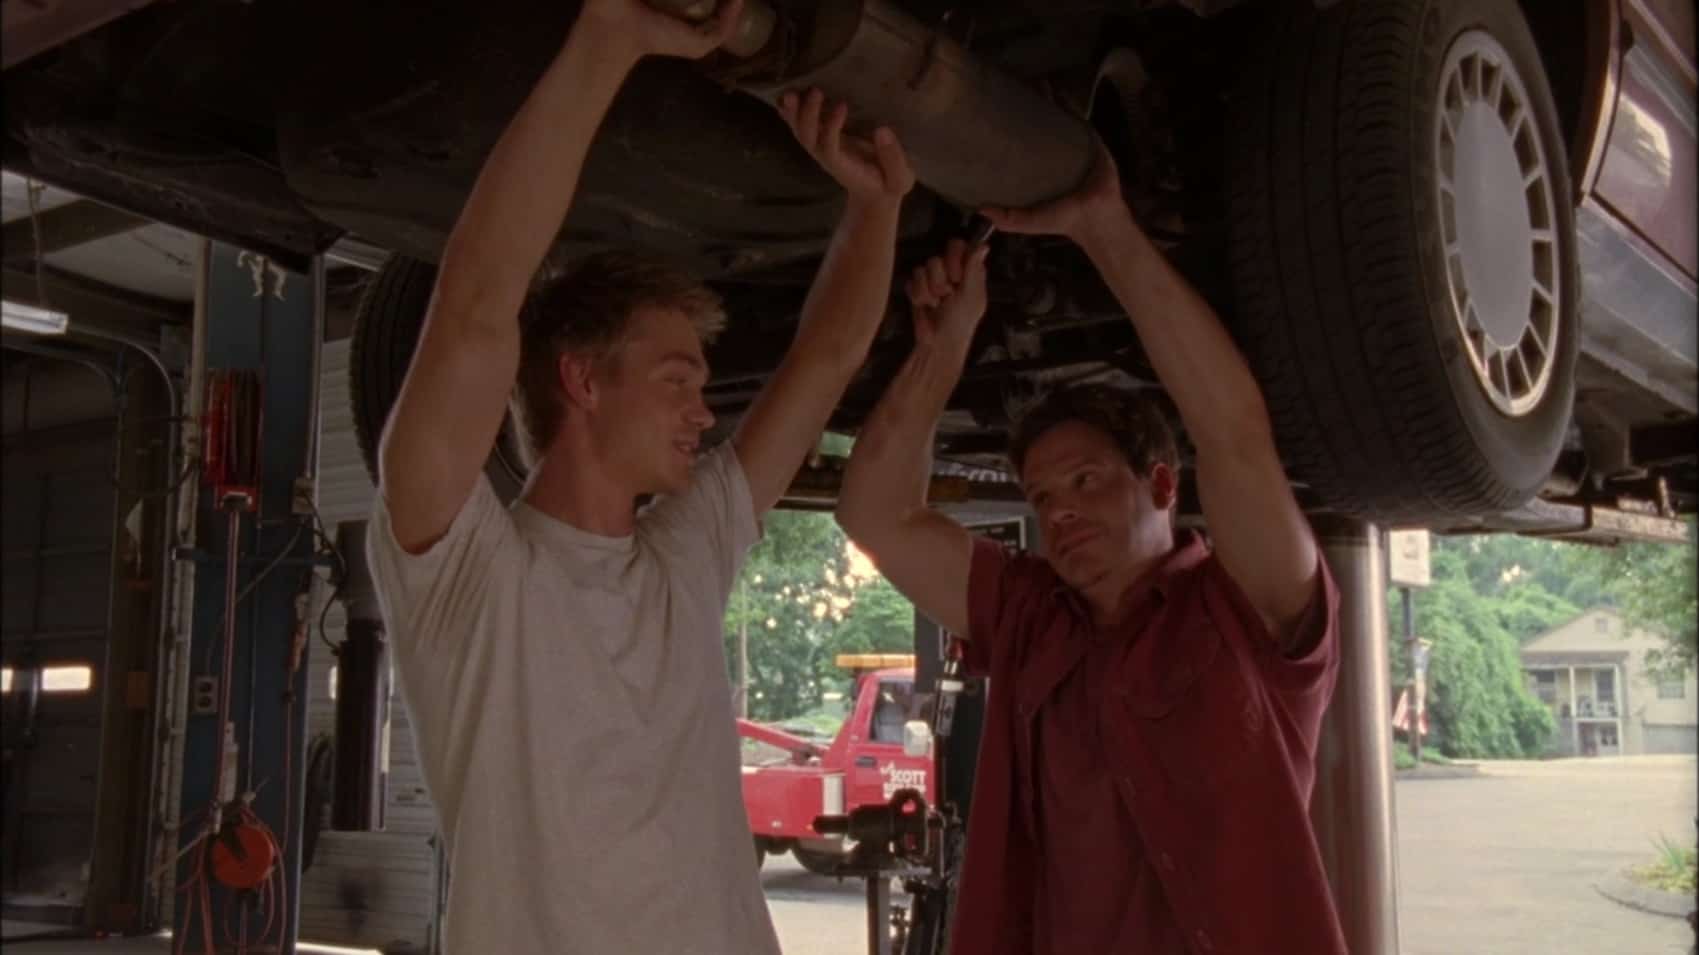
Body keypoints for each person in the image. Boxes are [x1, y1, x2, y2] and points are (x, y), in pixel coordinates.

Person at [363, 0, 918, 949]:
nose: (705, 413)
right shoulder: (466, 573)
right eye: (676, 381)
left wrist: (876, 207)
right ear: (580, 379)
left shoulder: (684, 552)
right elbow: (474, 307)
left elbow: (822, 363)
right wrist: (607, 36)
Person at [835, 147, 1348, 954]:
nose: (1060, 512)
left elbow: (1235, 435)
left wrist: (1105, 230)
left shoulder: (1245, 606)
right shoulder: (1030, 615)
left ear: (1160, 483)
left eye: (1084, 480)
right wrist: (945, 342)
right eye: (1042, 498)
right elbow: (875, 511)